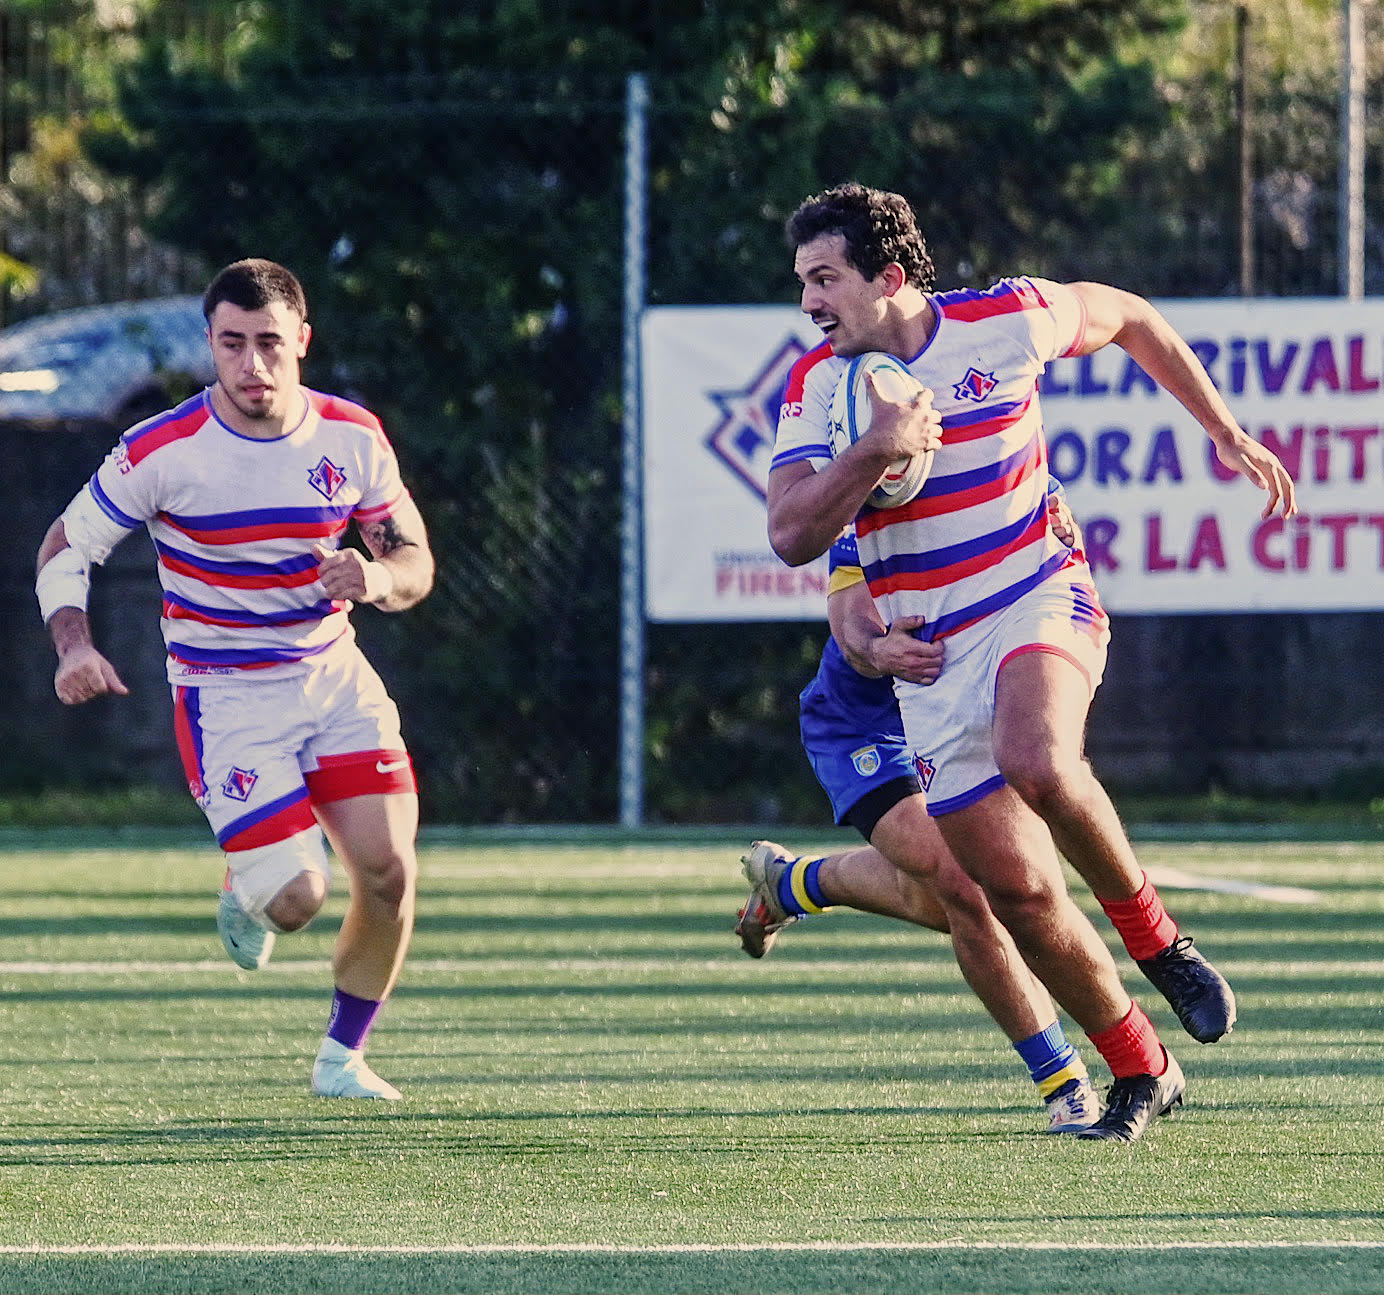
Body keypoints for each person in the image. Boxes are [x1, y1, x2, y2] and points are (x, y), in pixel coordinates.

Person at [767, 182, 1297, 1143]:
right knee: (1014, 893)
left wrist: (1223, 431)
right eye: (803, 280)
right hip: (934, 664)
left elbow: (1129, 316)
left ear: (889, 276)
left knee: (1039, 759)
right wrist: (878, 450)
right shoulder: (817, 388)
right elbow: (792, 534)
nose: (809, 300)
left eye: (825, 277)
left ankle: (1160, 942)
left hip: (1035, 592)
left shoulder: (1005, 319)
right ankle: (1141, 1066)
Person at [34, 258, 435, 1101]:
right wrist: (73, 646)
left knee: (390, 872)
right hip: (226, 695)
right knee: (297, 900)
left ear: (303, 341)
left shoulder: (352, 436)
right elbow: (66, 546)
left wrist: (377, 577)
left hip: (334, 676)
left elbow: (413, 558)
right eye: (232, 344)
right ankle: (248, 878)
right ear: (210, 345)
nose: (252, 364)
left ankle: (342, 1059)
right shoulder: (163, 448)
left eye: (269, 343)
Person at [737, 513, 1103, 1135]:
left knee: (953, 896)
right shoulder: (877, 511)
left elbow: (1060, 591)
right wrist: (879, 650)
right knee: (965, 888)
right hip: (869, 730)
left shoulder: (1017, 488)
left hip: (964, 721)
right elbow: (852, 628)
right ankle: (1063, 1082)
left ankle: (793, 884)